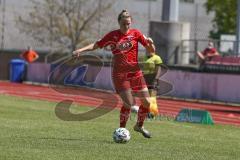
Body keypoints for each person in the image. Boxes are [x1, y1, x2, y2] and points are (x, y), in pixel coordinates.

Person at [72, 10, 155, 138]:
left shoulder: (136, 34)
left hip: (136, 73)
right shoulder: (112, 36)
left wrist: (150, 44)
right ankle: (122, 130)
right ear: (119, 23)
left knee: (147, 103)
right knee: (130, 103)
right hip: (120, 75)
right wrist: (80, 50)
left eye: (128, 24)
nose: (126, 26)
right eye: (124, 24)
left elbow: (151, 51)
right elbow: (96, 44)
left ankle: (139, 126)